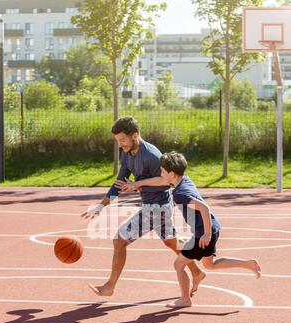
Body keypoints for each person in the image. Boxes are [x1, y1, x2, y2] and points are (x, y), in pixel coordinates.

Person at [117, 151, 262, 308]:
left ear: (171, 174)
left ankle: (185, 299)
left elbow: (203, 208)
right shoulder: (183, 179)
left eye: (162, 171)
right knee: (210, 264)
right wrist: (138, 185)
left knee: (179, 265)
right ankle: (249, 264)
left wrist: (205, 234)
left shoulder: (180, 194)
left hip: (203, 232)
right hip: (212, 226)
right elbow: (161, 183)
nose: (160, 173)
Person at [81, 117, 205, 297]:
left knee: (119, 240)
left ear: (135, 136)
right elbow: (120, 182)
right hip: (157, 207)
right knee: (171, 241)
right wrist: (101, 206)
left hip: (157, 208)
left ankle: (110, 286)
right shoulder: (127, 153)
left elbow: (167, 181)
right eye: (118, 141)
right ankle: (197, 272)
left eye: (123, 140)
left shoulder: (152, 156)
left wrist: (138, 184)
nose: (120, 145)